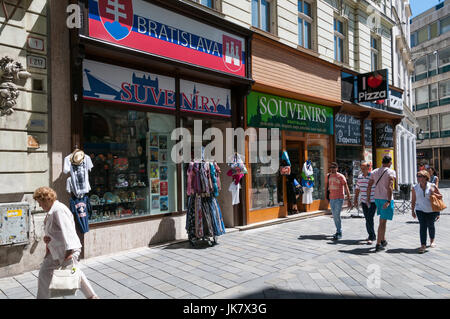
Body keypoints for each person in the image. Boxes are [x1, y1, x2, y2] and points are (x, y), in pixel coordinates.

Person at [34, 186, 99, 299]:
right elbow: (56, 230)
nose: (40, 205)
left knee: (74, 273)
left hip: (67, 250)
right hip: (56, 250)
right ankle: (92, 296)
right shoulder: (53, 210)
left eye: (40, 202)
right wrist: (47, 238)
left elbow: (68, 231)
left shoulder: (59, 210)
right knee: (46, 274)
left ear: (47, 199)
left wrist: (69, 253)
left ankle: (92, 296)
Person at [367, 155, 396, 252]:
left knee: (383, 220)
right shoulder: (391, 172)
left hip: (377, 198)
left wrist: (368, 198)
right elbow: (390, 186)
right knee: (382, 222)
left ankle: (383, 239)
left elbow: (369, 185)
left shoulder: (374, 171)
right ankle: (378, 243)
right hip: (385, 198)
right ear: (390, 162)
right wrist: (388, 200)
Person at [411, 170, 442, 253]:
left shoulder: (432, 186)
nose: (418, 178)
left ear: (425, 177)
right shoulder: (415, 187)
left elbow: (440, 196)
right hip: (420, 210)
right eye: (417, 176)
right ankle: (423, 245)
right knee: (423, 227)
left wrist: (433, 194)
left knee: (431, 225)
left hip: (431, 210)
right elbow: (413, 200)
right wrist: (412, 211)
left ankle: (432, 241)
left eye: (420, 176)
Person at [326, 162, 351, 240]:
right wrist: (326, 197)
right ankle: (338, 230)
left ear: (337, 168)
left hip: (339, 198)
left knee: (337, 215)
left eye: (334, 167)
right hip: (332, 198)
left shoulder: (341, 176)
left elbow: (346, 186)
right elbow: (327, 186)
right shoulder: (328, 176)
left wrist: (349, 198)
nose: (332, 169)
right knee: (334, 215)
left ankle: (339, 231)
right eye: (331, 167)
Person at [354, 161, 377, 245]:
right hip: (364, 201)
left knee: (369, 218)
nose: (362, 170)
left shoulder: (373, 177)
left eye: (364, 168)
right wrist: (355, 199)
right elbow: (357, 188)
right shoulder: (360, 177)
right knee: (367, 218)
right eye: (361, 168)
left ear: (368, 168)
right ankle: (372, 235)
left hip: (372, 201)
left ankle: (371, 236)